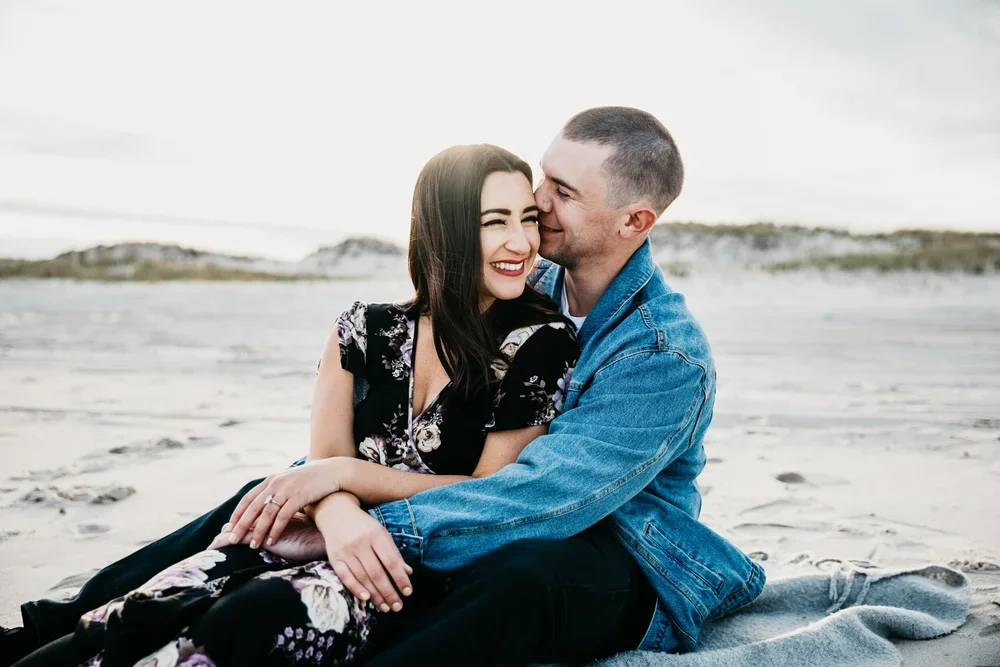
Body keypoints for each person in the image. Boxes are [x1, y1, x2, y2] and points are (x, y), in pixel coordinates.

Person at [4, 107, 765, 667]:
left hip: (620, 553)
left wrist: (370, 519)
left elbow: (545, 497)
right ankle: (51, 626)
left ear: (635, 219)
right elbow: (402, 358)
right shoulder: (526, 275)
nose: (536, 203)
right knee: (268, 494)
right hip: (484, 505)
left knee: (519, 574)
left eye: (561, 192)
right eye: (541, 178)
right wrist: (327, 497)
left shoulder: (663, 355)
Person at [9, 144, 580, 666]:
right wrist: (337, 510)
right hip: (318, 529)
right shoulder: (364, 329)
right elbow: (320, 467)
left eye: (527, 219)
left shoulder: (541, 342)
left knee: (244, 620)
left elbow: (487, 495)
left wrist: (344, 477)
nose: (523, 243)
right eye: (495, 222)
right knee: (147, 608)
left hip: (403, 567)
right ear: (446, 231)